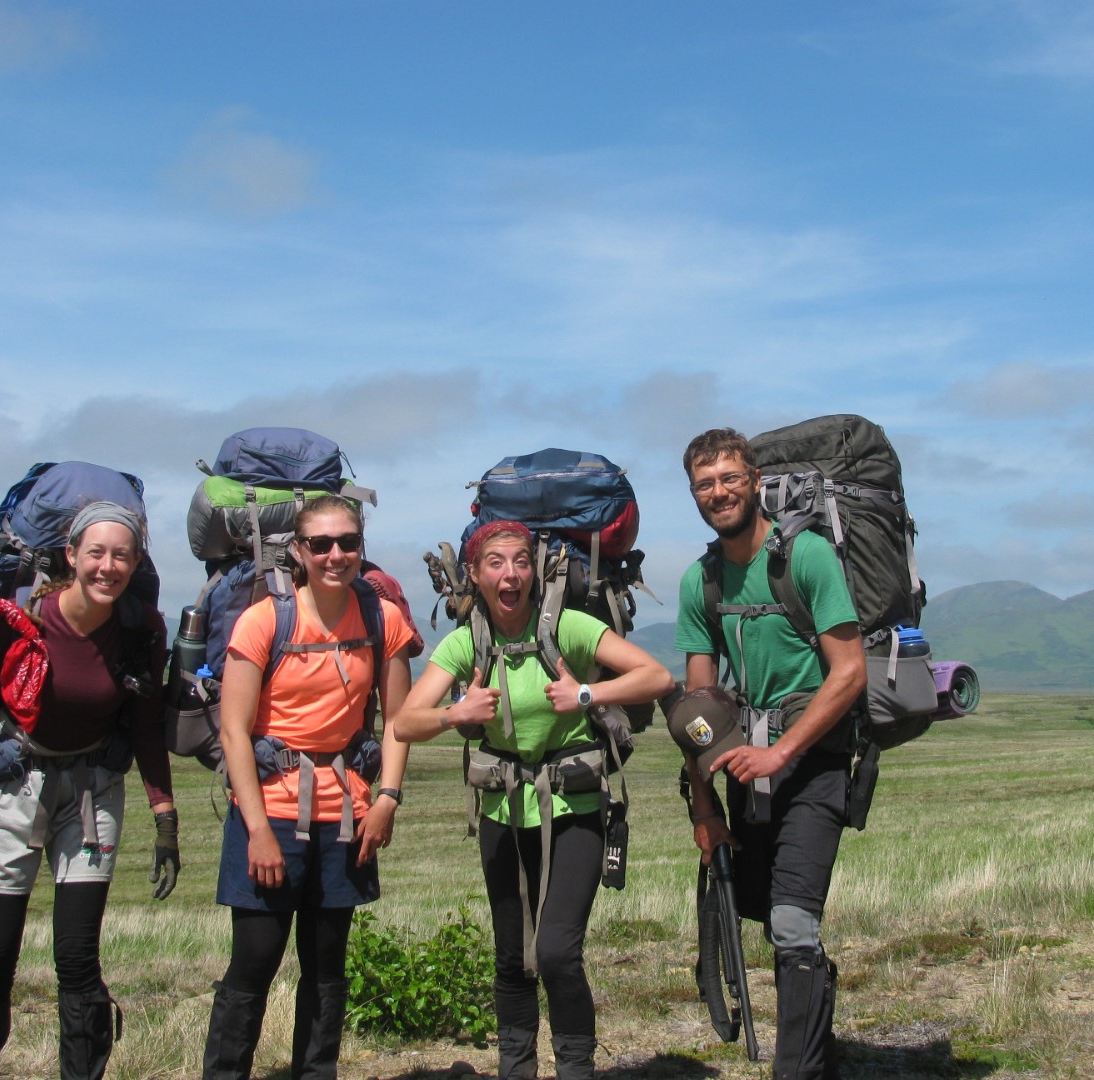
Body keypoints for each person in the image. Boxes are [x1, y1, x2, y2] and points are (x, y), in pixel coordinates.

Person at [395, 521, 674, 1080]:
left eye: (521, 561)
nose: (510, 574)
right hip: (503, 811)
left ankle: (575, 1069)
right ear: (474, 575)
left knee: (555, 953)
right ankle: (515, 1069)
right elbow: (404, 721)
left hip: (575, 810)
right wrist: (456, 713)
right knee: (511, 956)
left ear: (536, 571)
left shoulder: (569, 627)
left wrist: (586, 693)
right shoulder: (465, 642)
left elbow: (657, 675)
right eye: (495, 563)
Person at [0, 500, 179, 1080]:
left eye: (122, 556)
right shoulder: (22, 617)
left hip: (93, 794)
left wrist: (164, 816)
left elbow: (146, 724)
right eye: (97, 553)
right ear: (71, 555)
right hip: (13, 788)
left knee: (78, 961)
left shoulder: (141, 630)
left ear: (136, 563)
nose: (108, 567)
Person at [673, 429, 867, 1080]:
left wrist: (782, 752)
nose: (718, 492)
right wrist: (704, 810)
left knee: (791, 924)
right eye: (705, 483)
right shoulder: (701, 581)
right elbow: (699, 712)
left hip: (812, 763)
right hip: (746, 772)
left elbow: (848, 672)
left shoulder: (805, 557)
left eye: (729, 478)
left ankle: (798, 1072)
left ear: (755, 480)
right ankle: (818, 1049)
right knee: (774, 922)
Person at [203, 493, 414, 1080]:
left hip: (346, 812)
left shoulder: (382, 618)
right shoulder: (265, 619)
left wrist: (388, 799)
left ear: (361, 546)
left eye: (347, 542)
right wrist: (255, 831)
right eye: (320, 544)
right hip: (270, 811)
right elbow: (234, 730)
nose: (335, 554)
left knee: (327, 969)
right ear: (297, 551)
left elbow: (399, 721)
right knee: (253, 963)